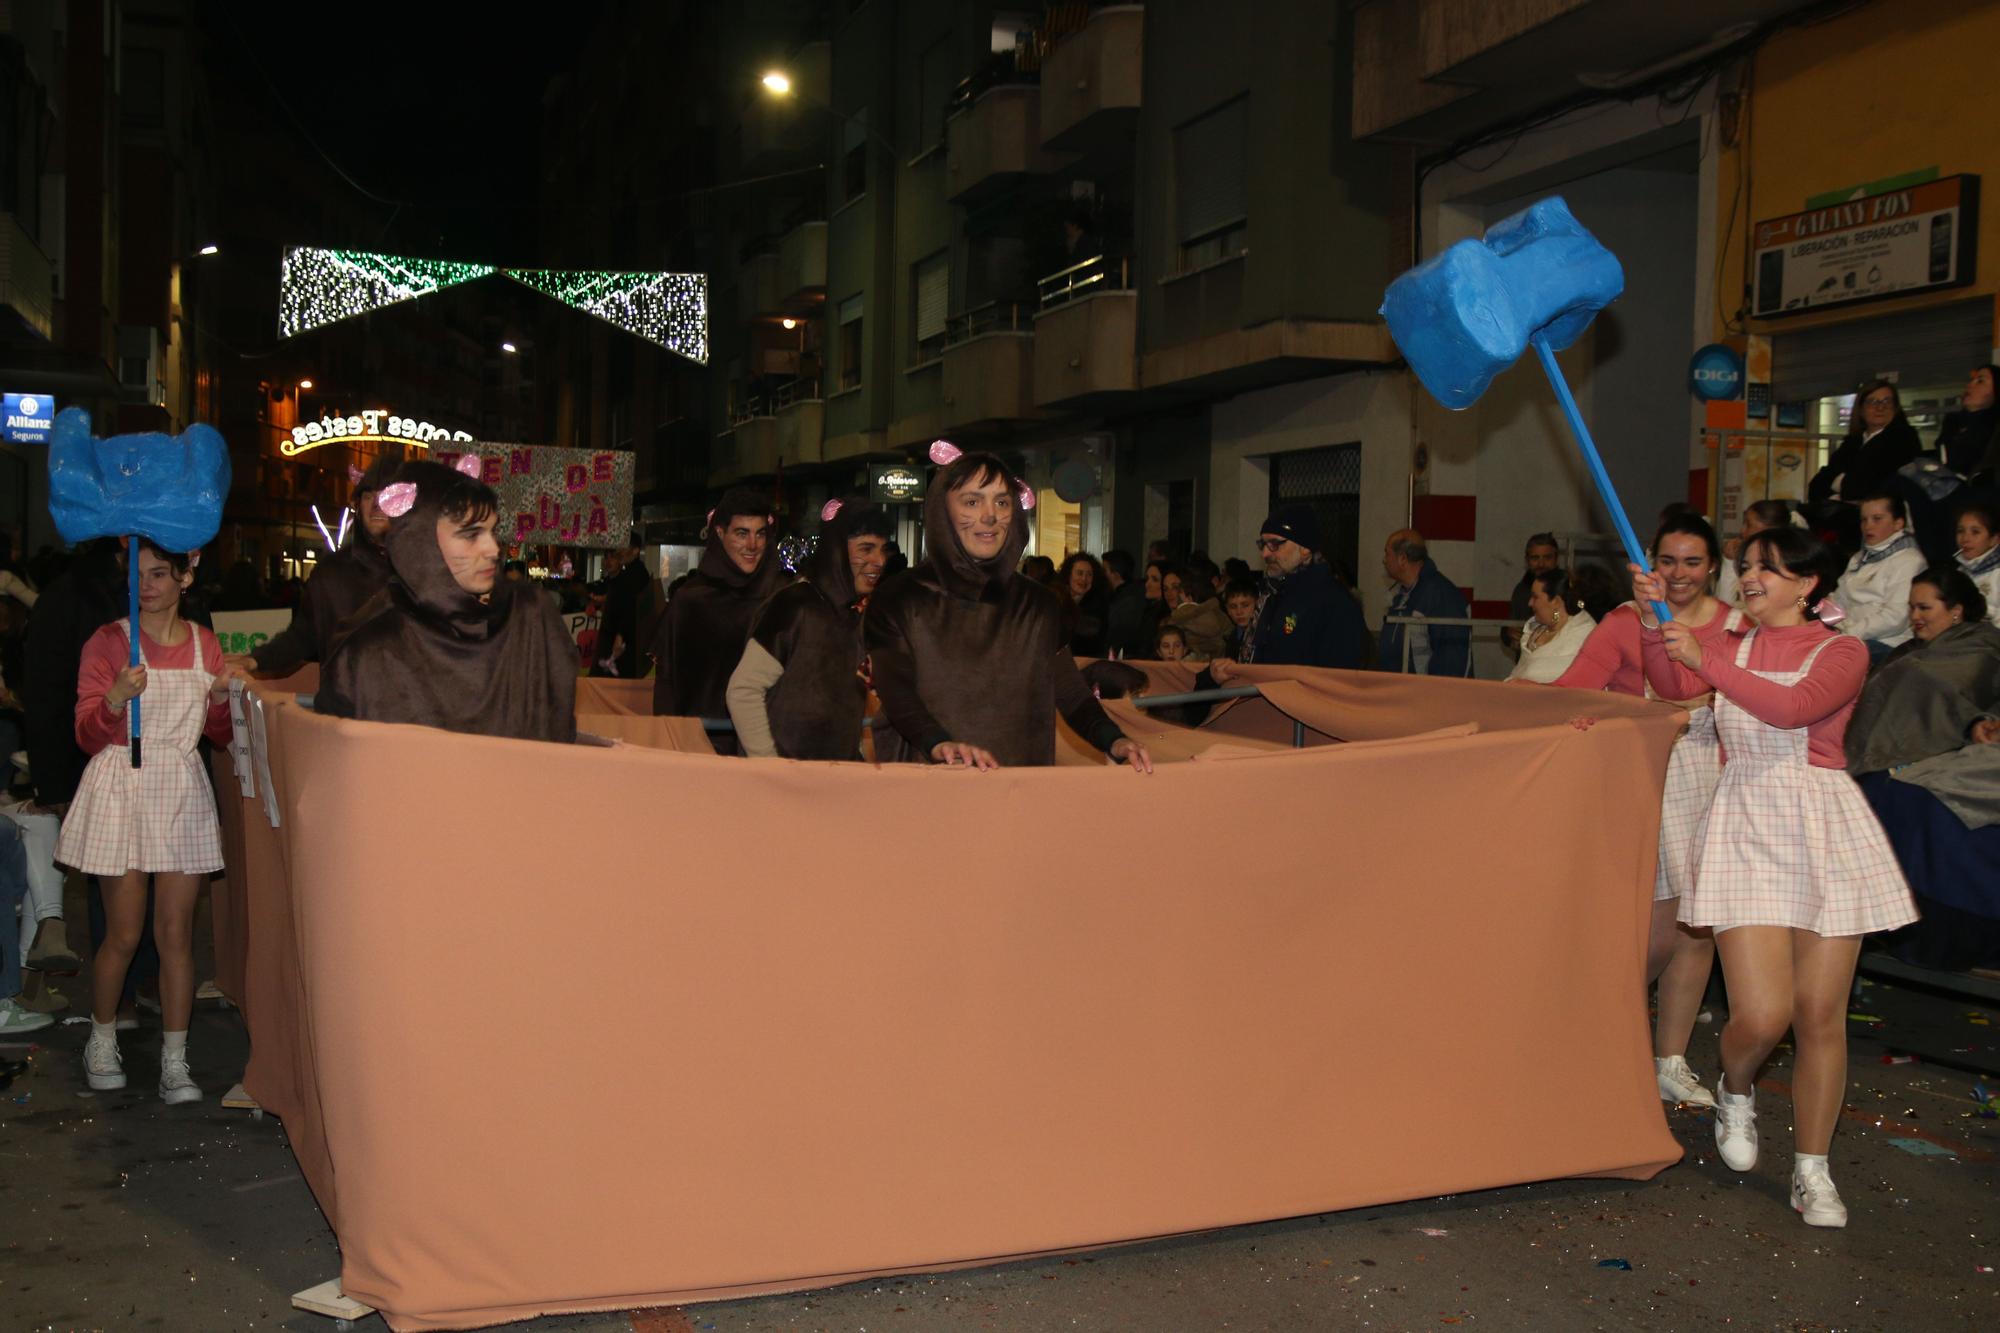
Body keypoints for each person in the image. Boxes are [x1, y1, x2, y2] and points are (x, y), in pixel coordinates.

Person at [1632, 524, 1916, 1229]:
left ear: (1808, 583)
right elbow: (1673, 681)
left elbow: (1794, 709)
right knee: (1762, 1015)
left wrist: (1708, 657)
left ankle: (1812, 1170)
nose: (1751, 577)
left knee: (1821, 1014)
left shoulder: (1844, 650)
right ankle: (1735, 1085)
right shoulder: (1728, 642)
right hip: (1745, 823)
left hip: (1824, 825)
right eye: (1748, 566)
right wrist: (1650, 622)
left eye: (1769, 567)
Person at [1558, 514, 1732, 1108]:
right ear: (1648, 563)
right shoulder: (1625, 621)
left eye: (1692, 562)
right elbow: (1575, 687)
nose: (1679, 574)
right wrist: (1597, 712)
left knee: (1700, 927)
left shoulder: (1736, 624)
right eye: (1667, 561)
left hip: (1723, 781)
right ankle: (1596, 1032)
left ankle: (1670, 1059)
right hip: (1647, 777)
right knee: (1663, 924)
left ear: (1712, 565)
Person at [56, 540, 233, 1103]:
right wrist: (113, 699)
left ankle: (175, 1061)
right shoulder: (109, 641)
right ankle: (101, 1039)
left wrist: (225, 699)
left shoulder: (206, 644)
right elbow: (86, 735)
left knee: (176, 935)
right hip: (123, 788)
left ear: (187, 576)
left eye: (160, 573)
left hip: (179, 789)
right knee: (124, 933)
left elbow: (221, 735)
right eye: (136, 574)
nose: (146, 584)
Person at [865, 449, 1151, 771]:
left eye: (1001, 502)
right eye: (972, 502)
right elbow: (896, 691)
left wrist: (1114, 739)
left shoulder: (1038, 604)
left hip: (1018, 791)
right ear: (941, 510)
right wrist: (939, 744)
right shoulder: (900, 598)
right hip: (933, 789)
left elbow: (1069, 690)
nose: (990, 516)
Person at [316, 461, 577, 744]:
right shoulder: (367, 650)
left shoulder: (528, 618)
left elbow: (558, 733)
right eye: (470, 534)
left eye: (492, 531)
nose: (492, 549)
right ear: (421, 542)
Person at [1846, 568, 2000, 969]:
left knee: (1909, 799)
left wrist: (1973, 723)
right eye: (1911, 607)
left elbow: (1958, 698)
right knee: (1887, 795)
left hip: (1960, 753)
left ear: (1956, 611)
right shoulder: (1910, 651)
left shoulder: (1980, 648)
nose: (1915, 615)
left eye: (1925, 607)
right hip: (1913, 755)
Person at [726, 497, 890, 760]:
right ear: (837, 551)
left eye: (883, 549)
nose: (879, 560)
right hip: (782, 786)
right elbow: (743, 691)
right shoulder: (795, 604)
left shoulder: (851, 613)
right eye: (866, 548)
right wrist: (770, 765)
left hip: (830, 781)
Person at [237, 454, 399, 677]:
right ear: (358, 505)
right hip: (342, 704)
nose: (376, 506)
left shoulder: (420, 572)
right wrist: (255, 660)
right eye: (369, 496)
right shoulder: (331, 573)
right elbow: (302, 636)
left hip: (407, 705)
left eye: (386, 496)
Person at [650, 489, 781, 733]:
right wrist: (669, 744)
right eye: (742, 533)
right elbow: (666, 684)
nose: (752, 545)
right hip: (700, 746)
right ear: (720, 533)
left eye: (760, 534)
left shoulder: (780, 599)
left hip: (766, 749)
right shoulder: (690, 601)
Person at [1210, 508, 1366, 682]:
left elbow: (1337, 678)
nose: (1265, 554)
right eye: (1262, 545)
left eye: (1275, 544)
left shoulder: (1335, 602)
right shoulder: (1271, 595)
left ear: (1305, 549)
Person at [1830, 491, 1923, 660]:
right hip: (1849, 634)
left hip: (1888, 642)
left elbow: (1896, 617)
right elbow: (1838, 600)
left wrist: (1847, 633)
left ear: (1898, 523)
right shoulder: (1859, 558)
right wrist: (1813, 613)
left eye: (1877, 519)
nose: (1868, 526)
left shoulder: (1909, 560)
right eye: (1864, 520)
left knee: (1829, 657)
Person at [1807, 379, 1921, 506]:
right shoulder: (1851, 443)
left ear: (1895, 408)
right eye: (1872, 402)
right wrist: (1843, 491)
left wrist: (1839, 485)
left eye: (1887, 401)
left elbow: (1858, 489)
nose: (1880, 407)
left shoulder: (1903, 438)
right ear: (1860, 409)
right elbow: (1815, 487)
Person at [1377, 529, 1469, 677]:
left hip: (1425, 696)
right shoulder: (1404, 596)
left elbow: (1450, 660)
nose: (1384, 560)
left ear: (1402, 559)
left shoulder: (1441, 596)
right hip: (1402, 693)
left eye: (1387, 553)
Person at [1503, 567, 1596, 683]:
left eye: (1535, 597)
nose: (1530, 603)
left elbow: (1579, 684)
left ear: (1556, 601)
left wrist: (1535, 688)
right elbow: (1521, 672)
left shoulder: (1584, 635)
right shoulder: (1534, 629)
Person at [594, 535, 657, 678]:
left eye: (624, 547)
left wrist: (620, 636)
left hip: (625, 642)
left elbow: (631, 607)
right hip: (621, 638)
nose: (619, 551)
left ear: (635, 551)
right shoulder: (630, 572)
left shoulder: (636, 574)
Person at [1717, 500, 1792, 606]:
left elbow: (1806, 604)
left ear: (1767, 529)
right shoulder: (1745, 562)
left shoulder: (1795, 562)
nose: (1742, 531)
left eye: (1748, 524)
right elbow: (1724, 605)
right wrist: (1729, 562)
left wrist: (1798, 611)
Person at [1934, 364, 1998, 482]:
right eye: (1971, 380)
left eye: (1980, 381)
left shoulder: (1994, 429)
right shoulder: (1952, 422)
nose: (1970, 385)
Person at [1502, 533, 1561, 659]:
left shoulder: (1569, 589)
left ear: (1556, 558)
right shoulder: (1521, 590)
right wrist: (1509, 634)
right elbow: (1510, 625)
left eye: (1547, 557)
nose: (1541, 563)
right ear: (1527, 560)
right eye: (1535, 558)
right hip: (1528, 665)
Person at [1165, 557, 1233, 660]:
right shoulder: (1214, 609)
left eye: (1177, 588)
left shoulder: (1205, 614)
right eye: (1165, 589)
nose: (1170, 593)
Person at [1101, 550, 1154, 659]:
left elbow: (1118, 636)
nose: (1101, 575)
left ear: (1115, 574)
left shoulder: (1128, 601)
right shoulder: (1129, 595)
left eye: (1104, 570)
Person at [1954, 500, 2000, 624]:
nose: (1965, 539)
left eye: (1975, 532)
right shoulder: (1958, 572)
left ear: (1994, 539)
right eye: (1960, 531)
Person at [1057, 552, 1110, 657]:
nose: (1084, 579)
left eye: (1089, 574)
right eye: (1079, 573)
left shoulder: (1099, 604)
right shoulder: (1057, 598)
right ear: (1069, 575)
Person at [1221, 579, 1259, 661]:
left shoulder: (1265, 635)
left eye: (1245, 605)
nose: (1239, 612)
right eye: (1233, 607)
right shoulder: (1232, 637)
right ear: (1227, 610)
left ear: (1257, 604)